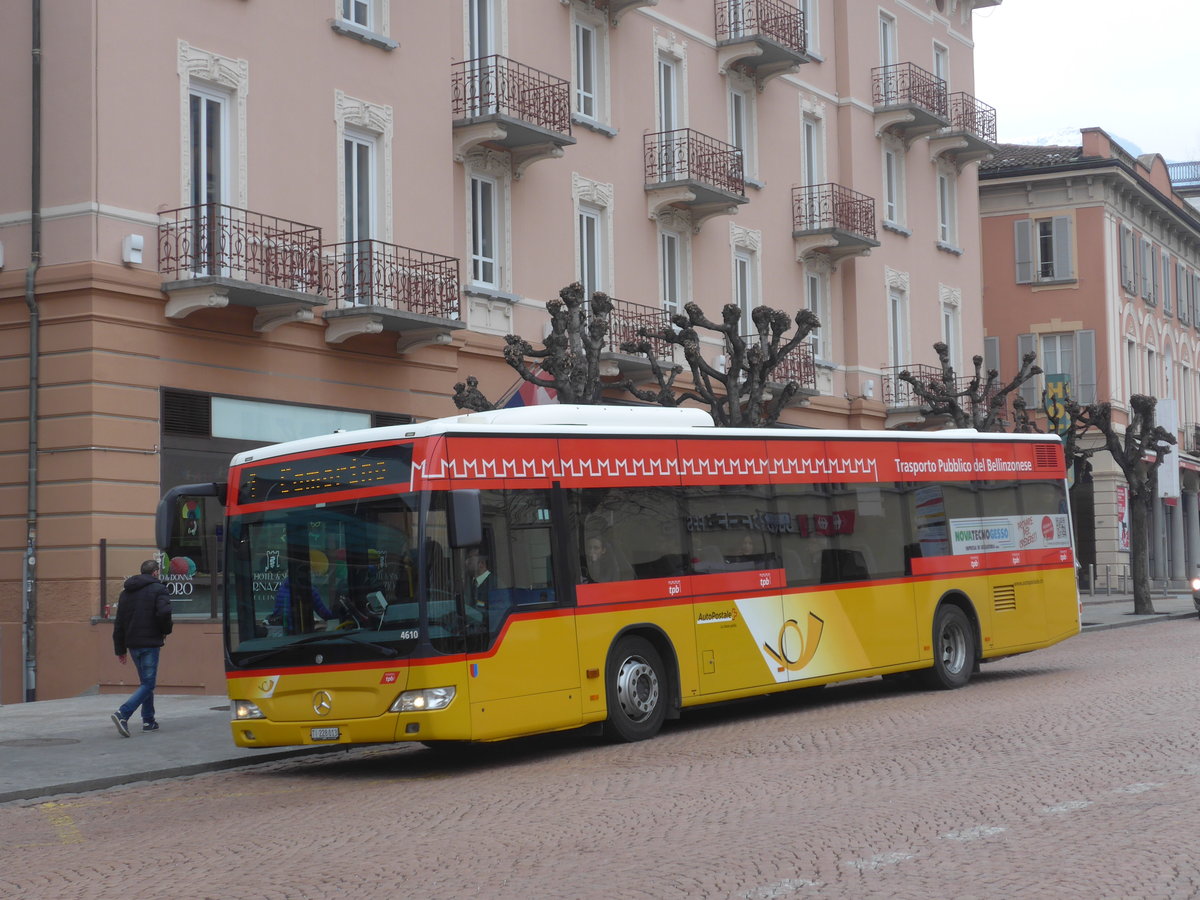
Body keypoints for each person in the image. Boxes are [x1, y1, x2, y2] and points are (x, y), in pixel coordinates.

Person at [111, 559, 173, 737]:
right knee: (148, 683)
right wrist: (165, 631)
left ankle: (149, 720)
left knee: (146, 682)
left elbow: (119, 623)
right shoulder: (159, 589)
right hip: (150, 643)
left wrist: (120, 649)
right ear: (155, 572)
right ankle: (123, 714)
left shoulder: (126, 593)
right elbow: (164, 613)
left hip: (132, 644)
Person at [268, 571, 333, 631]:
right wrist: (338, 615)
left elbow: (278, 611)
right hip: (299, 632)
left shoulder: (283, 586)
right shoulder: (309, 590)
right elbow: (324, 614)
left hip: (282, 630)